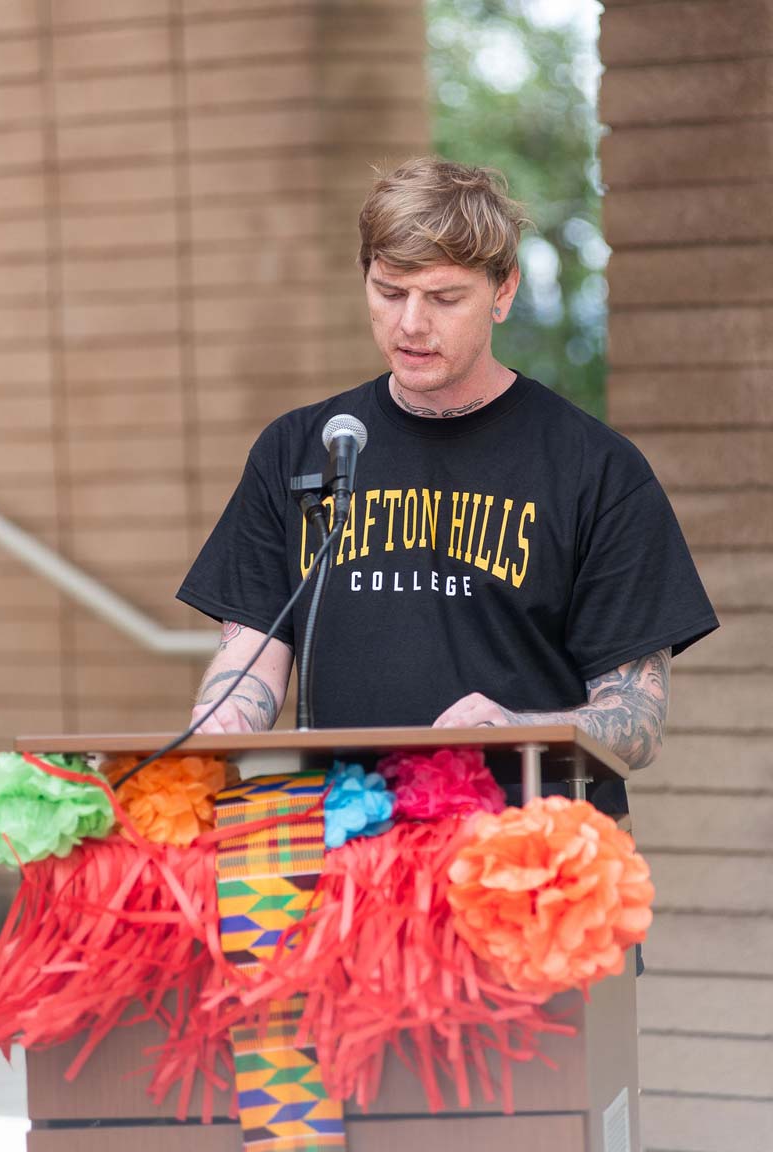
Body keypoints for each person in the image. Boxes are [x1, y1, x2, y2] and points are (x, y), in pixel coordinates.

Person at [177, 157, 718, 816]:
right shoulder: (299, 449)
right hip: (352, 852)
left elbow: (637, 717)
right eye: (389, 291)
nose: (410, 323)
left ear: (503, 291)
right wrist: (218, 724)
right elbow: (252, 656)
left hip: (533, 860)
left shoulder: (596, 469)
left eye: (443, 297)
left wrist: (517, 733)